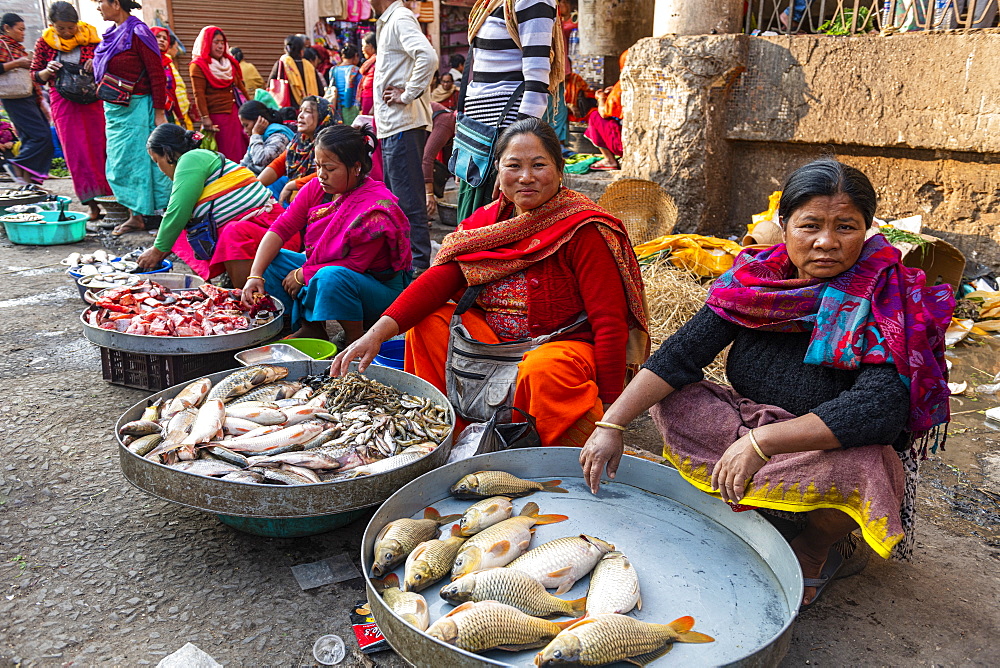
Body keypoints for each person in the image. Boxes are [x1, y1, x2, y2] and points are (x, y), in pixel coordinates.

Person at [580, 159, 955, 607]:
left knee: (871, 466)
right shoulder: (757, 282)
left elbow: (879, 406)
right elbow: (681, 354)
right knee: (674, 398)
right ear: (784, 225)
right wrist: (612, 425)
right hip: (748, 423)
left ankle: (815, 547)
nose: (826, 242)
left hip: (822, 444)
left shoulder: (890, 299)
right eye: (810, 225)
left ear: (869, 230)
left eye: (846, 227)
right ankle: (759, 501)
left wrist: (763, 443)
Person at [331, 118, 649, 447]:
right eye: (514, 166)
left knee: (544, 370)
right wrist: (377, 334)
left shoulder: (585, 228)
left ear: (558, 168)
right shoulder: (489, 221)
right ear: (498, 169)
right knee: (427, 323)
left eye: (539, 165)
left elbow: (609, 322)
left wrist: (611, 416)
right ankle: (445, 436)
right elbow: (440, 279)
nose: (526, 177)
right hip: (494, 341)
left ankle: (542, 453)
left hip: (560, 346)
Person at [243, 125, 412, 342]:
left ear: (356, 168)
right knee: (272, 260)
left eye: (330, 169)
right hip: (334, 270)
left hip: (378, 289)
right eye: (318, 166)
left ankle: (355, 338)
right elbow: (279, 229)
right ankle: (311, 327)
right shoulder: (316, 189)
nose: (322, 175)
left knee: (329, 277)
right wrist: (255, 275)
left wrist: (303, 273)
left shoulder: (374, 208)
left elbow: (354, 264)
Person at [137, 123, 299, 285]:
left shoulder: (190, 159)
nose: (159, 169)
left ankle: (244, 297)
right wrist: (158, 252)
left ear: (167, 153)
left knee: (232, 232)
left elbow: (178, 210)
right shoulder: (198, 159)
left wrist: (156, 251)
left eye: (156, 161)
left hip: (275, 232)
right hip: (261, 229)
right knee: (182, 233)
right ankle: (204, 289)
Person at [458, 0, 564, 221]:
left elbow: (537, 82)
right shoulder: (490, 3)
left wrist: (509, 160)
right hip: (479, 142)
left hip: (501, 141)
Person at [93, 0, 171, 235]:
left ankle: (166, 217)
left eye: (100, 2)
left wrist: (159, 112)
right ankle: (135, 216)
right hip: (116, 110)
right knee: (122, 163)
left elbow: (157, 73)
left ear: (116, 4)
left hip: (138, 109)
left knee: (146, 163)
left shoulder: (138, 32)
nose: (98, 8)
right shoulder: (110, 34)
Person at [371, 0, 438, 272]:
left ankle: (419, 267)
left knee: (408, 203)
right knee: (398, 201)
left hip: (403, 125)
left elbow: (428, 56)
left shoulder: (399, 17)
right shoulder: (391, 20)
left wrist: (408, 93)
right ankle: (407, 264)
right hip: (393, 126)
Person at [30, 2, 111, 220]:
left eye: (70, 27)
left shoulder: (93, 38)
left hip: (93, 101)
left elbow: (109, 64)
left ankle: (114, 203)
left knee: (102, 148)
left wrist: (96, 62)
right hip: (64, 103)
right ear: (52, 25)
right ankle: (91, 205)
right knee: (76, 153)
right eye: (61, 28)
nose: (66, 32)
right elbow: (34, 75)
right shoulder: (44, 43)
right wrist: (47, 71)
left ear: (78, 24)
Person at [0, 13, 54, 186]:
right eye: (20, 29)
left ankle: (28, 183)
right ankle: (17, 164)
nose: (23, 33)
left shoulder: (18, 47)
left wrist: (41, 102)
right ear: (7, 28)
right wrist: (17, 63)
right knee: (41, 136)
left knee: (31, 138)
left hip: (29, 95)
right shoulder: (2, 44)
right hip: (14, 98)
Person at [257, 95, 335, 205]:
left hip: (322, 195)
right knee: (270, 187)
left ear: (323, 117)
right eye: (300, 111)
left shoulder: (331, 143)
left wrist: (293, 185)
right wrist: (254, 186)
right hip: (299, 189)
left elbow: (325, 174)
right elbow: (279, 165)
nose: (301, 116)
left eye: (307, 111)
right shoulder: (299, 141)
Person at [189, 26, 249, 163]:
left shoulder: (230, 64)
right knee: (225, 152)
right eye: (216, 42)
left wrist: (252, 108)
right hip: (216, 118)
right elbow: (199, 94)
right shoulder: (198, 66)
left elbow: (241, 88)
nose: (220, 46)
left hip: (235, 115)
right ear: (207, 43)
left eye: (222, 43)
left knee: (241, 150)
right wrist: (205, 118)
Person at [584, 50, 625, 170]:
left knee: (595, 115)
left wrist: (601, 98)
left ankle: (609, 159)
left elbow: (604, 113)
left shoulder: (622, 86)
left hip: (622, 145)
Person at [238, 100, 295, 175]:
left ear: (258, 120)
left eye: (246, 125)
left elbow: (260, 160)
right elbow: (245, 163)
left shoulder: (279, 136)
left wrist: (256, 134)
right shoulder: (261, 137)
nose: (245, 131)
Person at [151, 27, 190, 130]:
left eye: (165, 38)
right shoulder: (145, 61)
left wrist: (180, 116)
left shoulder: (167, 64)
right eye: (158, 36)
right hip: (149, 113)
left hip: (167, 112)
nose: (162, 40)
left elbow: (172, 92)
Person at [268, 35, 322, 108]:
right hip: (309, 108)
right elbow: (320, 90)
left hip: (287, 109)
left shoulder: (282, 64)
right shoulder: (309, 66)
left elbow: (270, 85)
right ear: (302, 50)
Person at [422, 102, 455, 217]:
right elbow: (426, 159)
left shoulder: (451, 126)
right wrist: (429, 194)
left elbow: (449, 160)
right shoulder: (447, 123)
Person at [331, 44, 361, 126]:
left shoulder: (333, 70)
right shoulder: (356, 70)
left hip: (336, 107)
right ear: (355, 56)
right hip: (352, 108)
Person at [358, 32, 377, 115]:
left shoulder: (377, 62)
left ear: (372, 46)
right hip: (367, 99)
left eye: (364, 45)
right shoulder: (371, 62)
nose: (362, 49)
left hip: (371, 100)